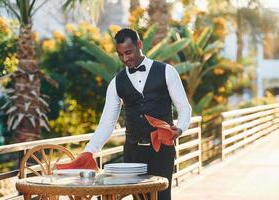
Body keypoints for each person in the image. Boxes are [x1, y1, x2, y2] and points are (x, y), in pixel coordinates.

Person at [57, 28, 192, 200]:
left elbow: (185, 108)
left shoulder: (167, 72)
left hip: (162, 151)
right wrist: (89, 152)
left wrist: (179, 129)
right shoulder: (116, 83)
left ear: (139, 45)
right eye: (120, 54)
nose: (125, 58)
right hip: (133, 152)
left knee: (161, 197)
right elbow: (107, 123)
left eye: (128, 52)